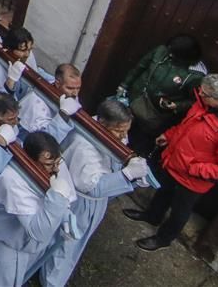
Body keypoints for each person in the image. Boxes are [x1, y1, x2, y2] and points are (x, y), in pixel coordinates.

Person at [125, 74, 218, 252]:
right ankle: (151, 216)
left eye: (205, 93)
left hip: (193, 179)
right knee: (163, 193)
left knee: (180, 212)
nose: (199, 93)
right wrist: (169, 136)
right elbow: (185, 127)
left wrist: (193, 168)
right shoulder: (203, 105)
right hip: (174, 165)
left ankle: (163, 239)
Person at [41, 100, 150, 286]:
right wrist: (128, 175)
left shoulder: (103, 131)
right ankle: (51, 280)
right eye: (119, 131)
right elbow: (94, 187)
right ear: (101, 123)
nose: (123, 136)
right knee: (68, 243)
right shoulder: (84, 147)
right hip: (82, 203)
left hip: (95, 202)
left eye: (126, 131)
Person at [0, 131, 77, 287]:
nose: (55, 170)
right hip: (7, 245)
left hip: (26, 245)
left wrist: (65, 215)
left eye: (57, 163)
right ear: (30, 160)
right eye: (48, 165)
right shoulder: (12, 179)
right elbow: (37, 231)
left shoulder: (52, 166)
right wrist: (57, 200)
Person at [117, 34, 208, 154]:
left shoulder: (196, 76)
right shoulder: (161, 51)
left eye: (173, 53)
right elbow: (140, 67)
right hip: (134, 99)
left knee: (135, 146)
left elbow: (196, 102)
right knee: (117, 131)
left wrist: (177, 105)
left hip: (153, 116)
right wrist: (124, 85)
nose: (169, 54)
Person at [16, 63, 82, 142]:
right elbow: (45, 141)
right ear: (57, 83)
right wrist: (63, 114)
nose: (75, 93)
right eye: (70, 88)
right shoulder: (35, 104)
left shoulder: (64, 91)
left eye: (78, 88)